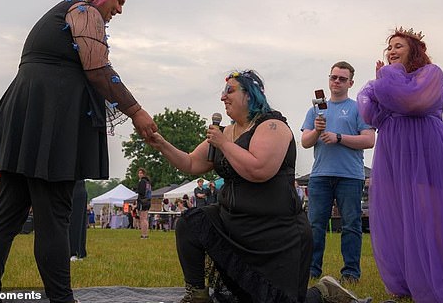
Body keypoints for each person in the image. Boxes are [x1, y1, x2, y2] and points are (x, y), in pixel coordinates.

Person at [0, 0, 157, 303]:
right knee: (54, 218)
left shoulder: (66, 11)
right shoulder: (85, 12)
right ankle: (61, 299)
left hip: (29, 111)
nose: (119, 10)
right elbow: (98, 69)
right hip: (51, 115)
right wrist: (136, 111)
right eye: (119, 0)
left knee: (6, 214)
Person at [147, 70, 365, 303]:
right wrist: (161, 144)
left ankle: (324, 292)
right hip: (234, 225)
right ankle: (197, 295)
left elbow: (259, 170)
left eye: (229, 90)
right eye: (223, 92)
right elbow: (190, 162)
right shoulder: (227, 131)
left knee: (273, 299)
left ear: (249, 95)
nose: (223, 97)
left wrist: (223, 144)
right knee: (191, 222)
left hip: (274, 233)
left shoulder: (273, 126)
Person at [357, 27, 443, 303]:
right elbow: (370, 113)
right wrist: (382, 81)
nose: (392, 52)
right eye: (389, 48)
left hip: (425, 146)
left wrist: (387, 76)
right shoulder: (383, 81)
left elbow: (413, 102)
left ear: (413, 51)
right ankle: (410, 278)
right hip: (395, 149)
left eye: (398, 47)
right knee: (403, 213)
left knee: (429, 210)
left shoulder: (430, 73)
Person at [301, 61, 375, 283]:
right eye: (334, 77)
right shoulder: (314, 110)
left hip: (350, 176)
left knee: (351, 225)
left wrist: (339, 138)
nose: (337, 82)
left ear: (350, 83)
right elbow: (305, 141)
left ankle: (351, 273)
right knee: (315, 225)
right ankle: (312, 270)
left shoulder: (358, 108)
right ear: (329, 79)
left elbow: (369, 139)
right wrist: (317, 131)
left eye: (342, 79)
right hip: (320, 175)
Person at [69, 180, 88, 261]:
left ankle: (75, 252)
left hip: (74, 187)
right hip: (78, 186)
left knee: (76, 223)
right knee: (79, 223)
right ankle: (79, 251)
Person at [137, 168, 152, 239]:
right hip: (148, 201)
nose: (139, 175)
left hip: (143, 201)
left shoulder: (142, 181)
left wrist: (137, 190)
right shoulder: (148, 182)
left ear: (143, 174)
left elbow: (141, 192)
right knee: (145, 218)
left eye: (141, 173)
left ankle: (144, 234)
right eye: (139, 173)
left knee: (143, 218)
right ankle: (146, 234)